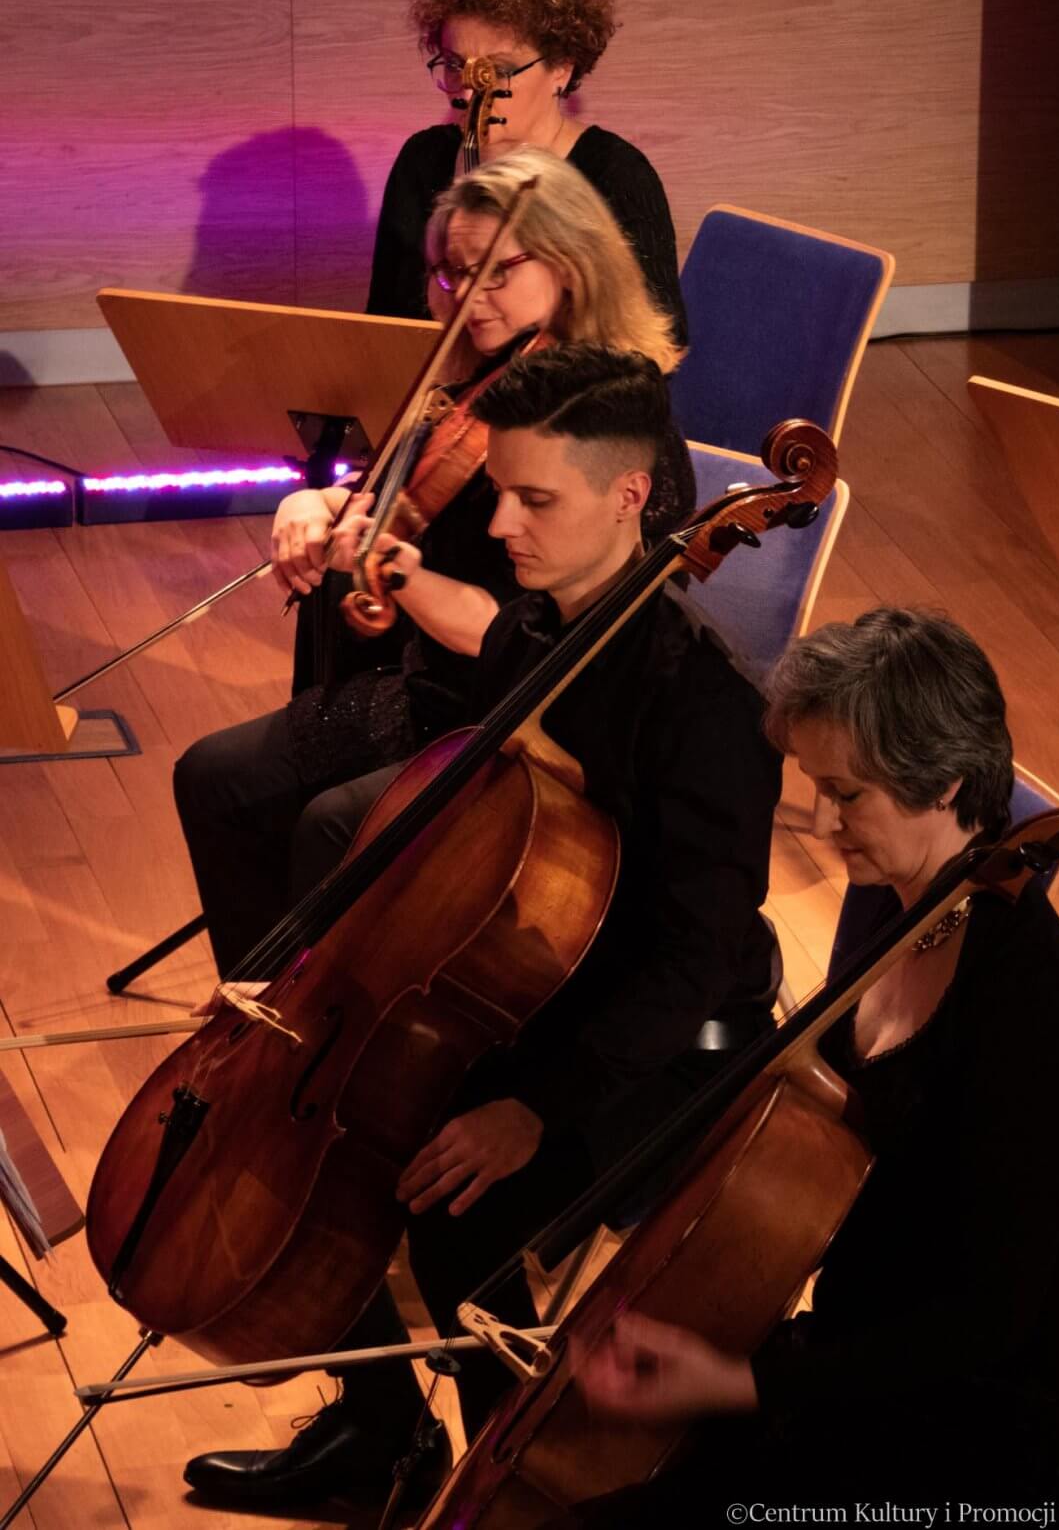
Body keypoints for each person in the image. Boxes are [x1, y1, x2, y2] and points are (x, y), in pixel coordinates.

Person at [180, 344, 783, 1514]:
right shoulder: (547, 631)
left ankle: (519, 1491)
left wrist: (539, 1104)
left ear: (629, 496)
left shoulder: (701, 706)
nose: (500, 521)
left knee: (452, 1209)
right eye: (499, 489)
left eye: (534, 499)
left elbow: (696, 957)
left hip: (649, 1049)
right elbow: (474, 694)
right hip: (527, 995)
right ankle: (385, 1436)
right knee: (334, 1120)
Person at [541, 607, 1059, 1523]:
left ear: (945, 783)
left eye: (848, 794)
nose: (826, 818)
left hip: (969, 1432)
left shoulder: (1033, 1004)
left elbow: (985, 1316)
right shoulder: (902, 912)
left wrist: (744, 1381)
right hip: (848, 1366)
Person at [174, 149, 694, 979]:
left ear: (569, 263)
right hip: (428, 686)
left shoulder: (612, 425)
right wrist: (323, 503)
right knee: (212, 778)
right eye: (448, 275)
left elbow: (526, 639)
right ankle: (256, 1028)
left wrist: (393, 568)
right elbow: (401, 497)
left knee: (331, 824)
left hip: (527, 715)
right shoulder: (482, 380)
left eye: (492, 271)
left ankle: (327, 1039)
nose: (465, 296)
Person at [366, 0, 687, 342]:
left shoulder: (615, 174)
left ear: (561, 68)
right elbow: (386, 327)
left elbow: (656, 346)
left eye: (497, 71)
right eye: (455, 65)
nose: (468, 92)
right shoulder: (422, 161)